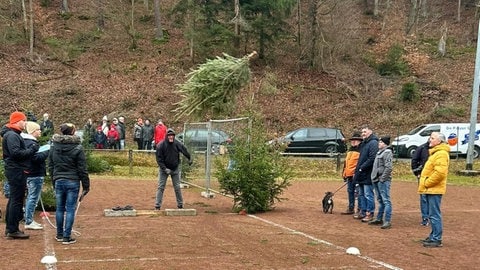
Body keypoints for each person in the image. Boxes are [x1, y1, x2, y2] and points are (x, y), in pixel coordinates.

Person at [48, 123, 90, 245]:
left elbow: (50, 166)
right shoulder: (78, 148)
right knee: (70, 209)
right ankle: (66, 236)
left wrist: (53, 180)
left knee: (60, 208)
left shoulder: (53, 147)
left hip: (59, 180)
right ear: (72, 132)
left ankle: (60, 235)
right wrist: (86, 185)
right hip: (72, 181)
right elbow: (82, 169)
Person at [1, 111, 39, 239]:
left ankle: (11, 228)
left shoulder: (12, 134)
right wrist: (32, 150)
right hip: (16, 170)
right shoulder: (12, 135)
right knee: (16, 200)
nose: (25, 123)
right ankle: (12, 230)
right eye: (23, 120)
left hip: (15, 169)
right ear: (17, 121)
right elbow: (16, 153)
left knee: (14, 199)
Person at [419, 132, 450, 248]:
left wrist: (427, 182)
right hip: (430, 189)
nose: (429, 140)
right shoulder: (436, 153)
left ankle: (436, 238)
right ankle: (433, 235)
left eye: (432, 138)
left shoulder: (441, 154)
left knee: (434, 214)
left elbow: (440, 173)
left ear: (439, 141)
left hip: (434, 189)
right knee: (432, 214)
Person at [155, 128, 192, 210]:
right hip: (164, 169)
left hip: (175, 169)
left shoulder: (177, 143)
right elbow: (159, 160)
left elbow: (184, 150)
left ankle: (180, 204)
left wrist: (189, 158)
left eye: (172, 136)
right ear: (166, 136)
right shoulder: (161, 145)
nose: (171, 137)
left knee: (177, 187)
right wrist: (164, 169)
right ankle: (157, 205)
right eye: (169, 136)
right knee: (161, 187)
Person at [22, 121, 50, 230]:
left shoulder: (27, 142)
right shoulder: (31, 143)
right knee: (33, 197)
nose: (40, 131)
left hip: (31, 173)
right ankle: (29, 220)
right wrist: (47, 151)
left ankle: (29, 219)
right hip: (35, 173)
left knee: (32, 197)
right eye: (38, 130)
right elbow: (35, 158)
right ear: (33, 131)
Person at [352, 125, 379, 222]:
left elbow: (372, 158)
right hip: (361, 174)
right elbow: (361, 158)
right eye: (362, 132)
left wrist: (362, 167)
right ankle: (362, 211)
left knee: (368, 194)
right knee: (361, 194)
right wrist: (357, 169)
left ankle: (370, 213)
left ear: (370, 132)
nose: (363, 134)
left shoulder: (373, 143)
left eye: (365, 132)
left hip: (368, 174)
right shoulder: (364, 143)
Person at [368, 136, 393, 229]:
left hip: (382, 180)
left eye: (381, 142)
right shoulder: (379, 153)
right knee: (380, 200)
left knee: (386, 200)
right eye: (379, 142)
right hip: (376, 179)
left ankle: (387, 220)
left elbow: (389, 167)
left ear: (386, 144)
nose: (379, 143)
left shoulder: (387, 152)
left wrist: (382, 178)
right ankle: (379, 218)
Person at [341, 132, 362, 215]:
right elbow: (346, 163)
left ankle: (360, 209)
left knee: (358, 193)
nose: (353, 142)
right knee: (350, 191)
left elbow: (360, 163)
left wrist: (356, 173)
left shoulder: (361, 149)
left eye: (355, 140)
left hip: (356, 175)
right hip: (349, 175)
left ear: (359, 141)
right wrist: (344, 173)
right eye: (352, 140)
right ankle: (351, 207)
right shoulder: (350, 150)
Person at [411, 140, 430, 226]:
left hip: (434, 176)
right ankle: (425, 218)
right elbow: (414, 160)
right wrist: (417, 173)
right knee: (424, 197)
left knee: (433, 198)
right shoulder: (422, 148)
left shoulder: (439, 150)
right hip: (422, 176)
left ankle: (432, 217)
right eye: (431, 138)